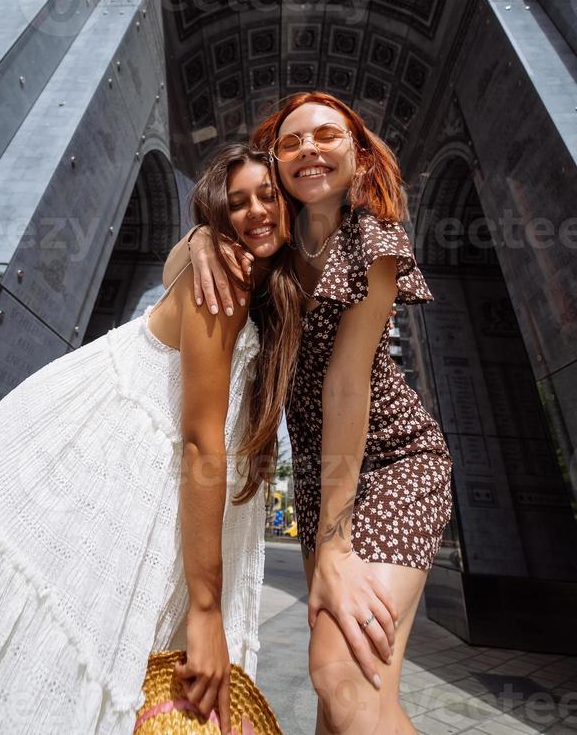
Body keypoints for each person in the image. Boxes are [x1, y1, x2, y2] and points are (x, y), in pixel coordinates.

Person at [0, 143, 293, 735]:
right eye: (237, 203)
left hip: (145, 460)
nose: (255, 212)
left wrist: (196, 241)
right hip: (113, 459)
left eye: (268, 196)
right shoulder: (224, 278)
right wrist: (206, 609)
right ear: (220, 217)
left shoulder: (259, 278)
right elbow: (201, 442)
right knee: (83, 642)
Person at [166, 93, 454, 735]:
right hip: (329, 481)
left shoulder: (373, 238)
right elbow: (171, 277)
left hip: (397, 466)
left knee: (341, 673)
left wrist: (334, 545)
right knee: (351, 695)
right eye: (293, 142)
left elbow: (346, 387)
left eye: (328, 135)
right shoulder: (273, 246)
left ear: (358, 152)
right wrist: (200, 241)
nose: (310, 149)